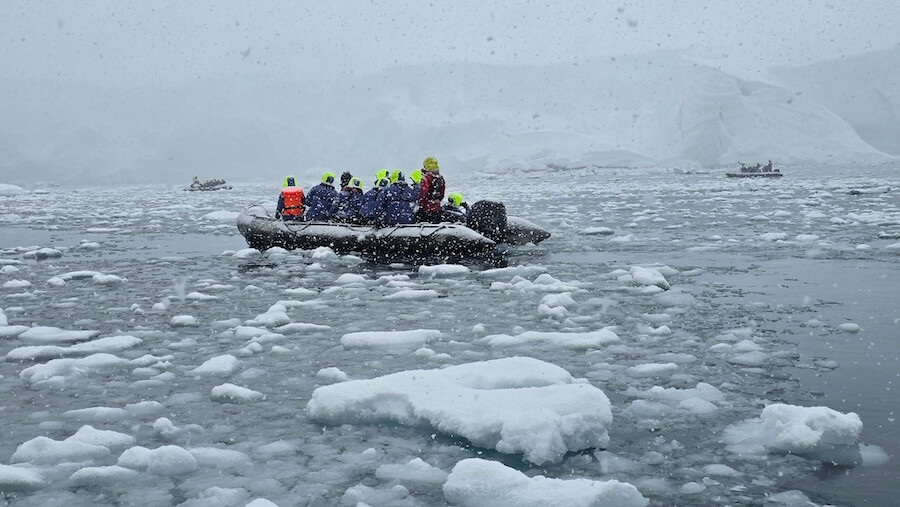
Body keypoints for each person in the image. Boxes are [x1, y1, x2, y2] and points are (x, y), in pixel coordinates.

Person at [416, 156, 445, 223]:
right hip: (437, 208)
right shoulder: (440, 178)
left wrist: (421, 207)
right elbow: (442, 194)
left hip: (426, 209)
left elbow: (423, 194)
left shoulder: (426, 178)